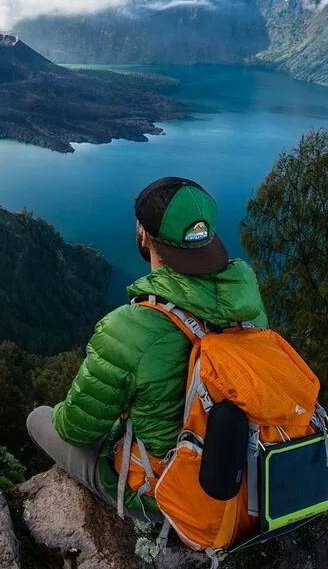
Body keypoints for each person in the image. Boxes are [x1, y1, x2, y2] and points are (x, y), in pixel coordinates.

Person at [26, 177, 267, 521]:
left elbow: (74, 429)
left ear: (143, 235)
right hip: (249, 483)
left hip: (170, 496)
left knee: (39, 418)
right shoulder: (249, 306)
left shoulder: (127, 328)